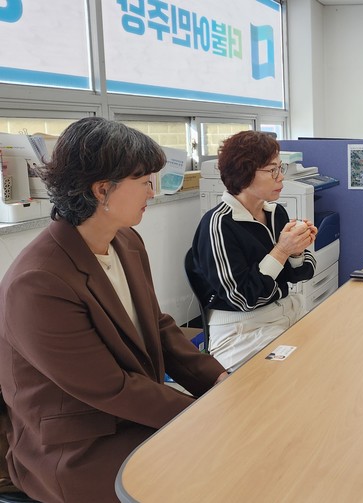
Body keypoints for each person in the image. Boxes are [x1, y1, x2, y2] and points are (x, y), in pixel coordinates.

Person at [0, 117, 228, 503]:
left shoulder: (126, 241)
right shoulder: (38, 282)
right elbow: (110, 387)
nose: (152, 192)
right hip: (78, 445)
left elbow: (158, 326)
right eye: (144, 182)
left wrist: (219, 381)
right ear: (102, 190)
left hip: (131, 413)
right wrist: (200, 414)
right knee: (212, 468)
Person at [189, 131, 316, 372]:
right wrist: (281, 251)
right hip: (242, 329)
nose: (281, 177)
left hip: (285, 310)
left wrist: (297, 252)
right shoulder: (218, 224)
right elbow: (243, 297)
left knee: (333, 348)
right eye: (272, 170)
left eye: (280, 168)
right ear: (244, 173)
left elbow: (301, 274)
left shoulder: (276, 213)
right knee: (301, 370)